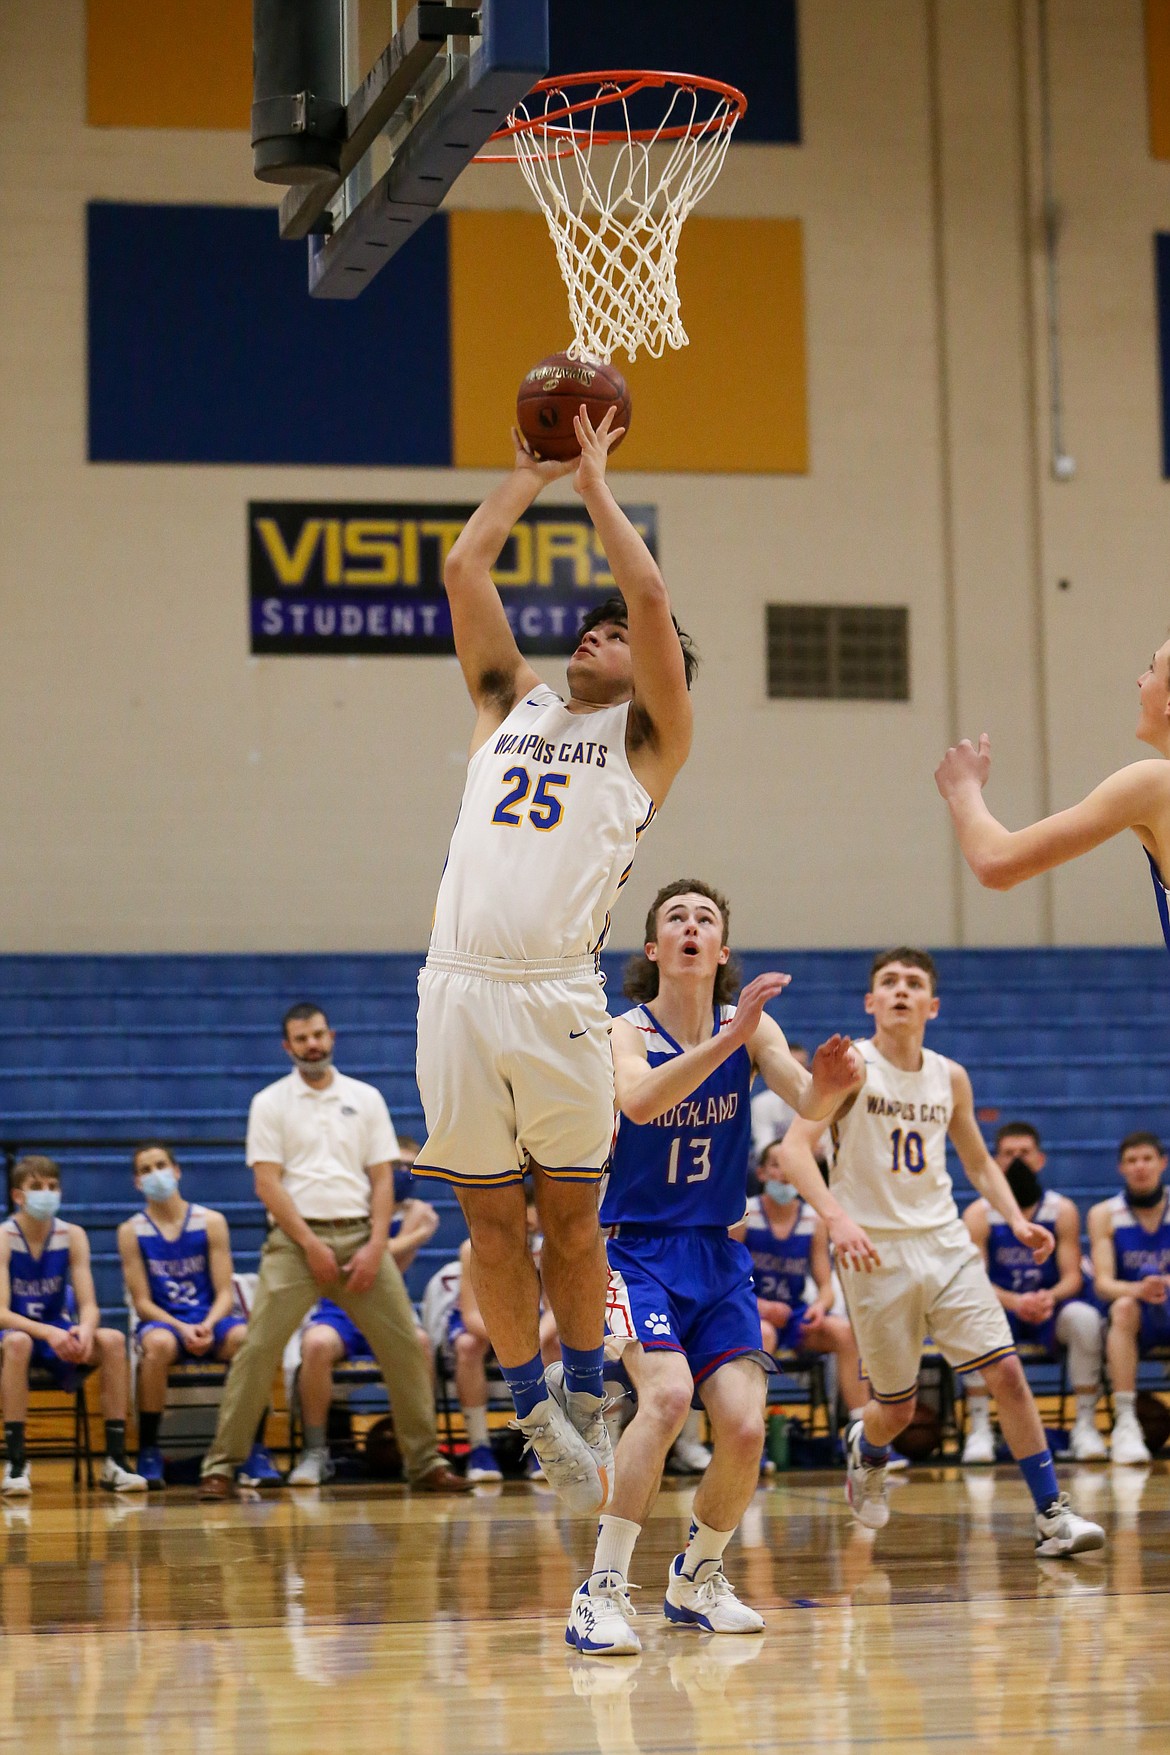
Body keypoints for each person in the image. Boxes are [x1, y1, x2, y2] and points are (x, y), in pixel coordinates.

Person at [413, 406, 696, 1515]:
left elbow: (657, 601)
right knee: (491, 1222)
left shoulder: (650, 745)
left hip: (559, 998)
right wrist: (524, 476)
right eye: (586, 628)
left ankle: (587, 1393)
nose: (594, 635)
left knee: (573, 1219)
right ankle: (535, 1409)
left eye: (612, 633)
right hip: (459, 988)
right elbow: (463, 563)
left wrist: (593, 484)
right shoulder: (505, 702)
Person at [565, 879, 869, 1655]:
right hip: (636, 1249)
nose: (692, 926)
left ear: (721, 950)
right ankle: (598, 1591)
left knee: (741, 1423)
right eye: (677, 918)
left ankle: (697, 1576)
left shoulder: (750, 1028)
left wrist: (834, 1084)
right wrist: (734, 1043)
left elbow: (807, 1097)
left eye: (706, 918)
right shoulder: (623, 1030)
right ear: (656, 949)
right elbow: (637, 1103)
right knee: (664, 1398)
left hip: (718, 1252)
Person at [778, 949, 1104, 1558]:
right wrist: (837, 1217)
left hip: (945, 1241)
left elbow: (977, 1160)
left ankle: (1051, 1513)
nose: (901, 990)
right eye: (888, 983)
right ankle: (866, 1449)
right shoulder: (852, 1067)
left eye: (914, 983)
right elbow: (796, 1150)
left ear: (933, 1005)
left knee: (1005, 1369)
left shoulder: (949, 1076)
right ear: (870, 1002)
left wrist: (1013, 1217)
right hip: (874, 1250)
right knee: (896, 1412)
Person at [198, 1003, 466, 1498]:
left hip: (362, 1238)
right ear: (288, 1047)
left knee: (407, 1347)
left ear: (331, 1036)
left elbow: (382, 1177)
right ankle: (220, 1466)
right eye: (301, 1039)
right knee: (257, 1351)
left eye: (318, 1035)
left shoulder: (364, 1098)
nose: (312, 1045)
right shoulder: (270, 1102)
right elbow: (266, 1182)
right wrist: (309, 1243)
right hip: (295, 1244)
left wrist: (376, 1245)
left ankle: (425, 1463)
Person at [934, 639, 1170, 952]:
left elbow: (996, 862)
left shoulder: (1154, 785)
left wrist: (963, 788)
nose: (1140, 679)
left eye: (1152, 668)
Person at [119, 1141, 280, 1488]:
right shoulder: (131, 1231)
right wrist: (181, 1327)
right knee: (158, 1345)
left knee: (246, 1340)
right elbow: (142, 1301)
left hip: (211, 1318)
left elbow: (225, 1292)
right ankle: (148, 1450)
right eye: (145, 1170)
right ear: (137, 1182)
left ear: (176, 1171)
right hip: (165, 1321)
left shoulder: (211, 1221)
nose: (155, 1174)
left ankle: (255, 1448)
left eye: (160, 1165)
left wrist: (205, 1324)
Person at [0, 1156, 146, 1494]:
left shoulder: (73, 1234)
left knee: (110, 1339)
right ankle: (17, 1462)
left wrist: (84, 1328)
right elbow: (2, 1313)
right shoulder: (5, 1237)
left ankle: (115, 1460)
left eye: (53, 1186)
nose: (47, 1193)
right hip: (15, 1337)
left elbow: (89, 1305)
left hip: (56, 1333)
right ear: (18, 1196)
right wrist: (50, 1332)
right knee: (19, 1341)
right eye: (37, 1187)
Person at [962, 1121, 1105, 1463]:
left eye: (1024, 1153)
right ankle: (979, 1426)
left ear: (1039, 1160)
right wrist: (1015, 1301)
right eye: (1009, 1154)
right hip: (1001, 1307)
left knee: (1085, 1319)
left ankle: (1085, 1424)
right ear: (996, 1162)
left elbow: (1072, 1277)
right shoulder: (979, 1213)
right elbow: (973, 1280)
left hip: (1048, 1308)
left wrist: (1047, 1298)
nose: (1017, 1160)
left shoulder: (1062, 1210)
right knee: (967, 1319)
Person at [287, 1192, 441, 1486]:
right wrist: (418, 1232)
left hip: (387, 1308)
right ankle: (315, 1451)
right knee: (316, 1344)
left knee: (420, 1344)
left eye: (408, 1167)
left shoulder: (405, 1217)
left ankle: (420, 1453)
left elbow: (391, 1268)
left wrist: (408, 1230)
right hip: (339, 1309)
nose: (401, 1174)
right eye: (396, 1167)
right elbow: (369, 1259)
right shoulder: (347, 1209)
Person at [740, 1140, 869, 1423]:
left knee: (846, 1333)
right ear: (761, 1173)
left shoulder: (814, 1220)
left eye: (789, 1166)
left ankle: (860, 1431)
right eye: (776, 1165)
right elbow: (726, 1279)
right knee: (764, 1334)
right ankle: (750, 1430)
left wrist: (820, 1307)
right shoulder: (745, 1215)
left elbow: (825, 1285)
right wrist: (761, 1306)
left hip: (794, 1313)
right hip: (751, 1311)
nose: (784, 1173)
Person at [1087, 1132, 1170, 1464]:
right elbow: (1103, 1284)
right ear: (1121, 1168)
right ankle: (1125, 1423)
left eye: (1147, 1159)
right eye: (1132, 1161)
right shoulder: (1105, 1213)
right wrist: (1139, 1290)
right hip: (1134, 1313)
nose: (1140, 1167)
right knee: (1122, 1308)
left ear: (1162, 1163)